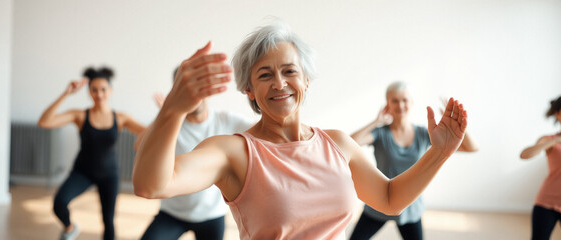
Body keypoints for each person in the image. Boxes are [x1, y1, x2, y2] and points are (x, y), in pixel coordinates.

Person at [132, 22, 469, 239]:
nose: (279, 83)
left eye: (289, 71)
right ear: (248, 89)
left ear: (306, 80)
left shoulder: (337, 143)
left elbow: (390, 199)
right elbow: (151, 185)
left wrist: (439, 153)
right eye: (264, 75)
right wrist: (173, 109)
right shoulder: (233, 151)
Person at [348, 81, 478, 240]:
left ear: (412, 103)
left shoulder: (425, 133)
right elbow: (348, 144)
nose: (400, 105)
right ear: (387, 104)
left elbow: (472, 148)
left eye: (404, 100)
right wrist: (376, 121)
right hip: (379, 202)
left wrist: (459, 126)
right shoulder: (380, 133)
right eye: (394, 100)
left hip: (410, 206)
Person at [139, 67, 253, 240]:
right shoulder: (171, 123)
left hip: (212, 216)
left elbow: (266, 133)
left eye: (198, 86)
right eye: (186, 89)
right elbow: (139, 147)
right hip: (172, 214)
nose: (193, 94)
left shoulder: (227, 121)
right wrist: (165, 115)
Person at [38, 67, 146, 240]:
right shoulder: (80, 115)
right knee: (59, 203)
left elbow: (149, 132)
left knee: (108, 222)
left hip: (109, 175)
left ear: (110, 91)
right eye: (94, 90)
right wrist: (66, 93)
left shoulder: (120, 118)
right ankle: (70, 228)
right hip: (83, 172)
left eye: (103, 89)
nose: (99, 94)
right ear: (89, 92)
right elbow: (44, 122)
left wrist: (165, 113)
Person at [520, 96, 561, 240]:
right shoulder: (549, 140)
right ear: (557, 114)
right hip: (546, 202)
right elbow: (525, 154)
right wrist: (555, 141)